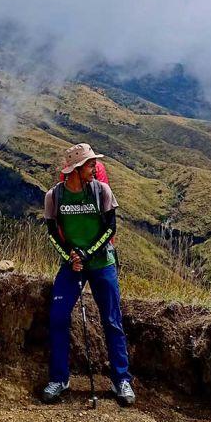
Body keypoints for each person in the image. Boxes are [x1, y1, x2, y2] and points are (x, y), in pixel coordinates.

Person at [41, 143, 135, 406]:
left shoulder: (101, 190)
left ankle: (121, 380)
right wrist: (71, 255)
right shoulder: (54, 197)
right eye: (91, 165)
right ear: (76, 169)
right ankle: (59, 378)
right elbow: (52, 232)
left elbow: (110, 229)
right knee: (58, 318)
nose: (97, 168)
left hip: (102, 263)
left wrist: (86, 254)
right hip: (72, 266)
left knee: (112, 321)